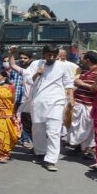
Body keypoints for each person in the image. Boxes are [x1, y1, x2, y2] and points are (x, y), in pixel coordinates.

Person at [25, 44, 74, 172]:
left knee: (54, 131)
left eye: (54, 55)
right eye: (48, 55)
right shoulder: (36, 64)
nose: (51, 57)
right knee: (38, 128)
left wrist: (71, 100)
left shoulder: (63, 66)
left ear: (57, 55)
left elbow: (69, 83)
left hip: (56, 101)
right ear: (43, 54)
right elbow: (28, 80)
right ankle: (40, 153)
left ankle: (51, 159)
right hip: (38, 102)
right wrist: (37, 73)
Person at [67, 51, 97, 156]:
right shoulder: (86, 72)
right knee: (78, 128)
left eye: (83, 58)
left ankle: (89, 150)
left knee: (88, 129)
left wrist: (81, 83)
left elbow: (96, 89)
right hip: (80, 103)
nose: (81, 60)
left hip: (89, 105)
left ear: (87, 60)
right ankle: (79, 147)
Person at [8, 48, 34, 149]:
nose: (22, 60)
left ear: (30, 59)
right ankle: (25, 139)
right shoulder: (21, 70)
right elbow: (12, 65)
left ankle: (31, 140)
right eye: (21, 58)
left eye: (25, 58)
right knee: (21, 120)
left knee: (30, 122)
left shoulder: (33, 70)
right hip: (18, 99)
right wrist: (11, 54)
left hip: (31, 101)